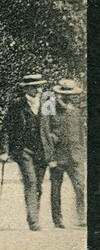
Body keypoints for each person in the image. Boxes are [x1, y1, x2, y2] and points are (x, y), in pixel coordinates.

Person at [0, 73, 54, 231]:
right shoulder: (17, 104)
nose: (37, 90)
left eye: (39, 86)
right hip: (24, 150)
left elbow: (54, 124)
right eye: (34, 87)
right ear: (26, 88)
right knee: (30, 182)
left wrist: (54, 141)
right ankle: (34, 221)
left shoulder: (48, 101)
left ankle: (34, 214)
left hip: (43, 149)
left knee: (38, 185)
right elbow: (6, 129)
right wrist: (4, 150)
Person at [47, 79, 85, 229]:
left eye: (71, 94)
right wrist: (50, 155)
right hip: (58, 155)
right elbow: (46, 132)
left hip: (76, 155)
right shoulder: (50, 108)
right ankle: (58, 219)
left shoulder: (76, 109)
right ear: (58, 94)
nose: (69, 97)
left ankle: (81, 216)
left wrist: (82, 151)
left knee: (80, 186)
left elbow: (81, 132)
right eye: (65, 94)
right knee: (56, 188)